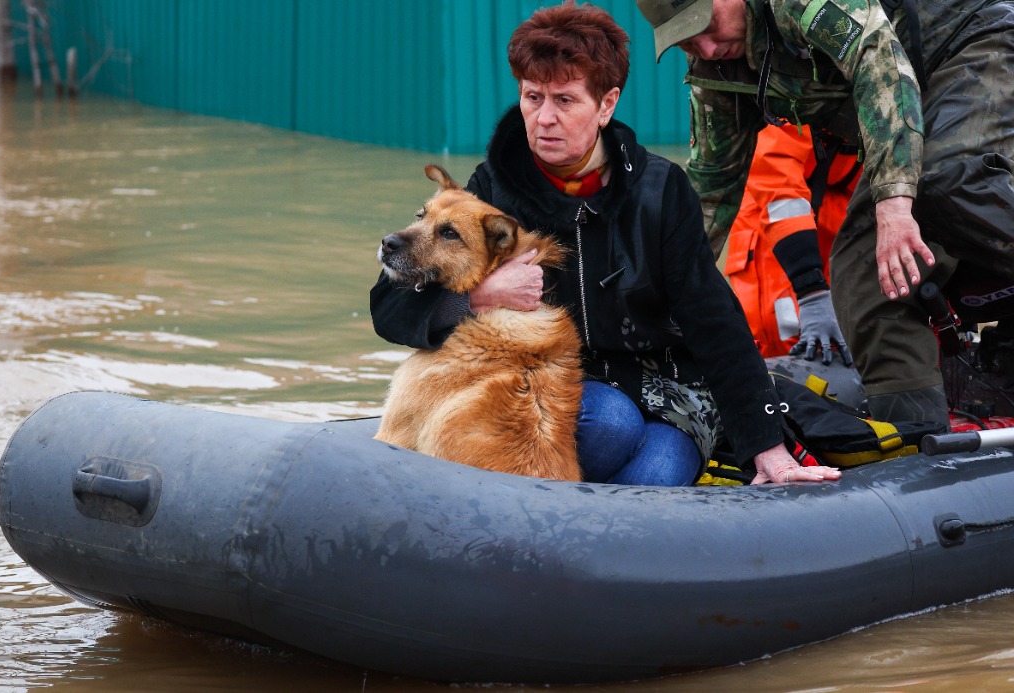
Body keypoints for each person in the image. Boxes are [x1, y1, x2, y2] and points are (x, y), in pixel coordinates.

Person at [370, 2, 840, 486]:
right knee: (609, 425)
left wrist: (768, 447)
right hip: (569, 390)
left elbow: (714, 319)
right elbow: (388, 307)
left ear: (607, 104)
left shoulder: (662, 189)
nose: (544, 119)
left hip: (669, 391)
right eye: (532, 98)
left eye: (565, 100)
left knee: (656, 475)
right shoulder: (493, 189)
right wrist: (477, 297)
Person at [637, 0, 1014, 431]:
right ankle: (922, 454)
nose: (706, 47)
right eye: (686, 39)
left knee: (946, 183)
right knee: (867, 273)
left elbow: (878, 60)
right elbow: (709, 190)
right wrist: (655, 296)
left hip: (972, 44)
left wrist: (893, 203)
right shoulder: (717, 71)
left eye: (706, 25)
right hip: (908, 101)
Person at [727, 123, 860, 361]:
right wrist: (811, 289)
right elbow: (776, 177)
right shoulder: (791, 97)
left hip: (846, 211)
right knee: (786, 333)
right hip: (775, 218)